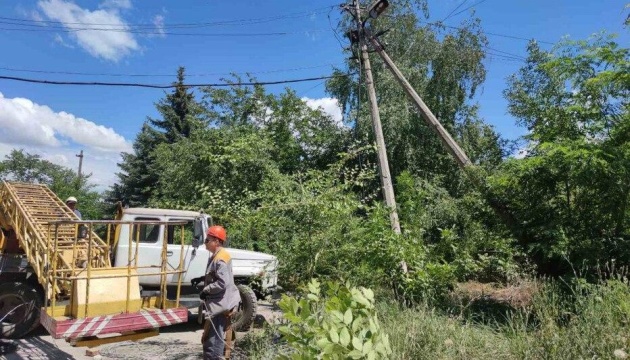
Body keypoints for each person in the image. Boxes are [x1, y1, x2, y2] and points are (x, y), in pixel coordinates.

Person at [197, 225, 240, 360]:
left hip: (220, 305)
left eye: (207, 240)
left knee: (213, 343)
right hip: (219, 303)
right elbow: (217, 276)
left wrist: (206, 290)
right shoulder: (219, 255)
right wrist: (202, 279)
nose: (205, 243)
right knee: (211, 340)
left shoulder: (220, 258)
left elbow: (222, 282)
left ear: (216, 241)